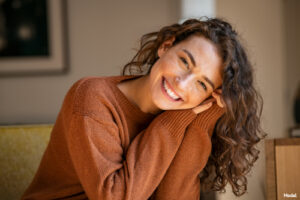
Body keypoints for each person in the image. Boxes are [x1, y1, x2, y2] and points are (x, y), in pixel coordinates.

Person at [21, 17, 266, 200]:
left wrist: (206, 117)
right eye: (184, 61)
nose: (181, 84)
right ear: (165, 46)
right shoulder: (93, 98)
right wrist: (173, 121)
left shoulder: (185, 113)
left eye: (202, 84)